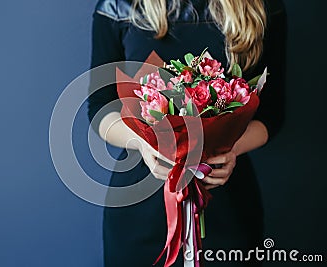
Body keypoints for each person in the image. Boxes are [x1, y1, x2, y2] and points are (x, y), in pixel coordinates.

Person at [88, 0, 286, 266]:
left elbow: (271, 116)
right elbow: (100, 109)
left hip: (227, 204)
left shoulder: (262, 6)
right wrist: (143, 143)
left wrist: (231, 150)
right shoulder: (118, 7)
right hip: (140, 211)